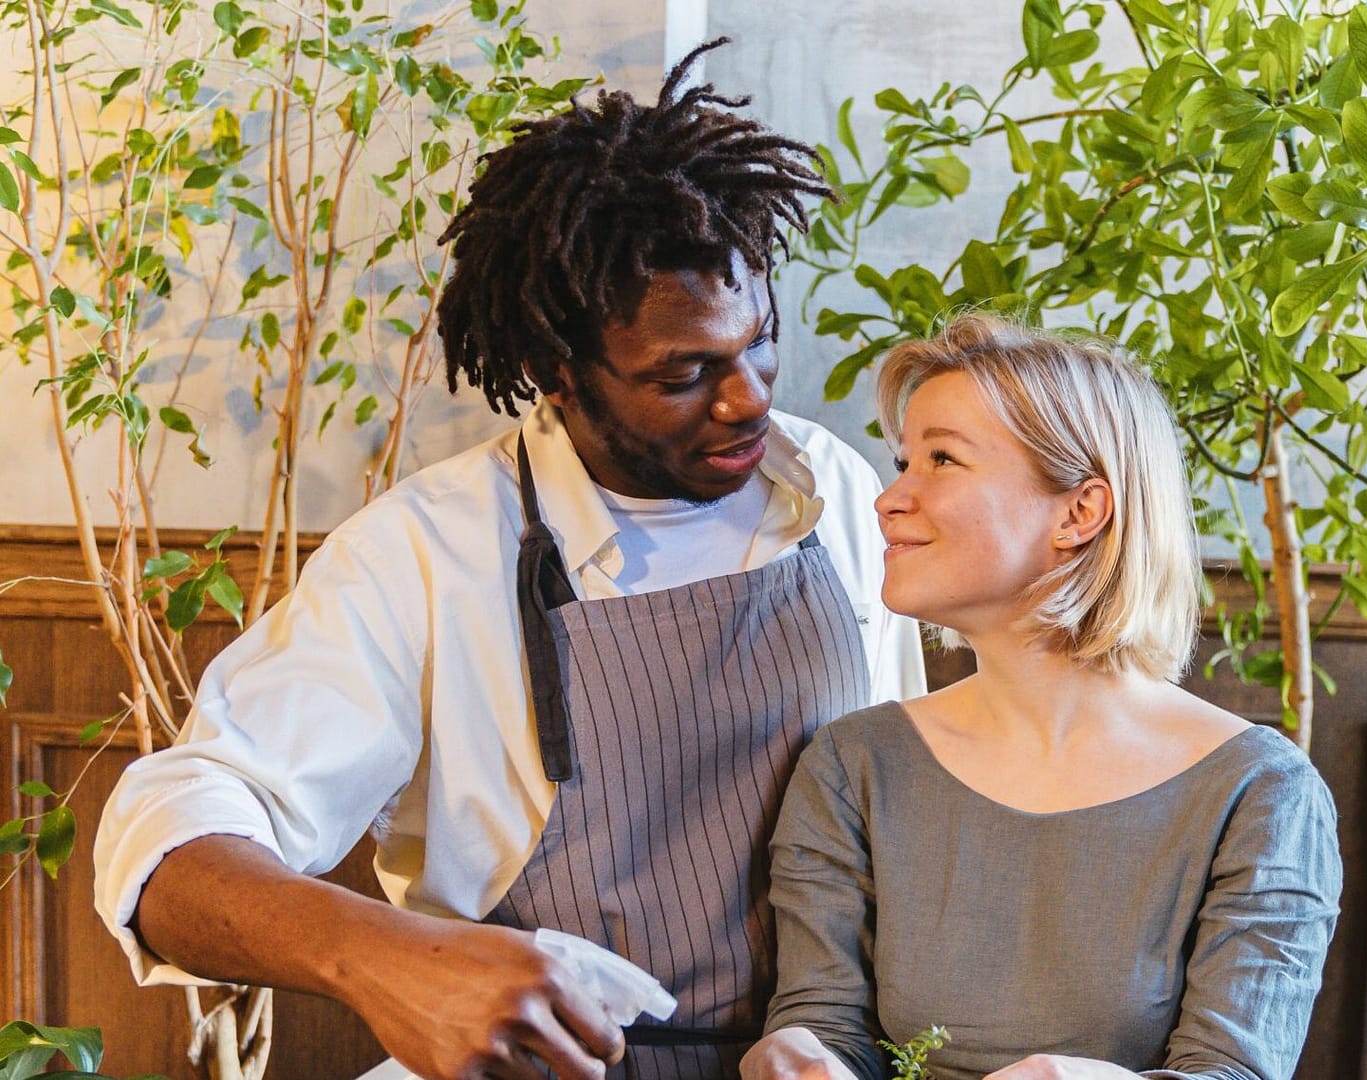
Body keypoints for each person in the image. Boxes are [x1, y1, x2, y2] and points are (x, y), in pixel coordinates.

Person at [92, 40, 925, 1080]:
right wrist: (381, 957)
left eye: (759, 340)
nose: (751, 395)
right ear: (554, 373)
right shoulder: (426, 553)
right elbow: (167, 835)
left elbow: (900, 814)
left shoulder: (834, 489)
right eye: (685, 373)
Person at [740, 314, 1341, 1080]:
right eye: (901, 463)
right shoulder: (853, 764)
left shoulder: (1260, 791)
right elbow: (823, 1022)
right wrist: (795, 1054)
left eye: (942, 460)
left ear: (1079, 512)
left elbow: (1234, 1072)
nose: (889, 500)